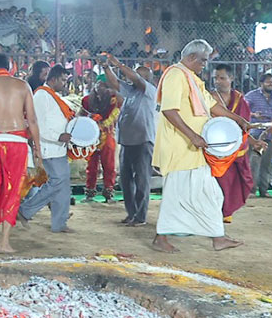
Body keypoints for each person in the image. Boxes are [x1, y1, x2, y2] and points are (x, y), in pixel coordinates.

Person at [151, 40, 248, 253]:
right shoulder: (176, 75)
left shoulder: (192, 78)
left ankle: (218, 237)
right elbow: (169, 111)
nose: (206, 64)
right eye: (204, 60)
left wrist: (237, 119)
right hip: (181, 148)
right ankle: (162, 238)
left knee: (210, 193)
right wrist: (193, 136)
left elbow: (212, 106)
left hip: (193, 150)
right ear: (192, 57)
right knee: (179, 194)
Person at [0, 51, 42, 254]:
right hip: (17, 143)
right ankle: (4, 243)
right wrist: (38, 149)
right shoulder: (22, 86)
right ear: (9, 66)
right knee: (12, 192)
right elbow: (32, 120)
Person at [19, 65, 75, 232]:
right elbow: (38, 125)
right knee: (57, 182)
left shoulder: (53, 96)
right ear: (53, 79)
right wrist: (58, 137)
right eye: (63, 80)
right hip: (50, 147)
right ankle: (25, 210)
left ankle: (59, 223)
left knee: (63, 186)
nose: (65, 83)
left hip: (58, 147)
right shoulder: (42, 96)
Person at [106, 53, 157, 227]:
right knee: (125, 181)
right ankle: (131, 213)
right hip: (127, 141)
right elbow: (115, 83)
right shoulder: (132, 91)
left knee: (142, 181)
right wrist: (106, 68)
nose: (134, 77)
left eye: (139, 75)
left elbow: (133, 78)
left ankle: (140, 216)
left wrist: (118, 64)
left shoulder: (149, 90)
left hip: (143, 141)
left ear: (147, 79)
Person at [209, 64, 255, 221]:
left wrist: (253, 141)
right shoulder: (209, 98)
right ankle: (215, 212)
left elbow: (244, 126)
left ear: (231, 78)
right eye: (216, 78)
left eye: (222, 78)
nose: (218, 81)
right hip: (216, 149)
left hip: (237, 148)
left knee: (238, 181)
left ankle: (227, 212)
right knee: (219, 181)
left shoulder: (240, 99)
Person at [81, 74, 121, 203]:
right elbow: (82, 114)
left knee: (109, 165)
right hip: (91, 136)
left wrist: (101, 126)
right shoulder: (87, 100)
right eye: (98, 84)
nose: (99, 87)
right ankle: (89, 193)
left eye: (103, 86)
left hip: (106, 134)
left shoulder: (113, 100)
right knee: (91, 165)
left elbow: (114, 116)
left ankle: (108, 193)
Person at [243, 73, 272, 197]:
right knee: (254, 162)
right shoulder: (252, 96)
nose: (271, 84)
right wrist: (254, 115)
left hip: (270, 133)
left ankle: (264, 190)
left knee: (266, 163)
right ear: (261, 83)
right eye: (268, 82)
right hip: (255, 133)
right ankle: (251, 190)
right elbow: (243, 110)